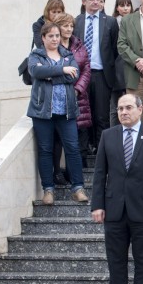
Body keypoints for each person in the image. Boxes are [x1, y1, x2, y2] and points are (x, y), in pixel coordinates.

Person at [91, 94, 143, 284]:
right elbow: (100, 173)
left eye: (128, 108)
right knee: (115, 263)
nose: (123, 112)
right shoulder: (108, 135)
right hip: (114, 210)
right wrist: (97, 205)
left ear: (140, 109)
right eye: (120, 109)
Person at [27, 22, 88, 205]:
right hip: (42, 112)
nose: (55, 39)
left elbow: (74, 76)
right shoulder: (35, 55)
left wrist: (49, 75)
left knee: (73, 149)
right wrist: (61, 70)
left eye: (57, 36)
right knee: (45, 150)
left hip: (66, 111)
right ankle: (48, 190)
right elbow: (36, 71)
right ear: (43, 38)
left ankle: (78, 188)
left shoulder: (67, 54)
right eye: (51, 36)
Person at [75, 0, 120, 155]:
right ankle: (84, 151)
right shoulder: (76, 21)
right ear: (83, 1)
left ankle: (101, 151)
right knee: (83, 116)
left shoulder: (110, 21)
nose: (96, 2)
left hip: (101, 74)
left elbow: (115, 49)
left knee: (101, 115)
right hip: (80, 76)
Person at [54, 13, 93, 171]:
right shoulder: (53, 46)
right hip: (60, 97)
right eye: (65, 26)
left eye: (71, 26)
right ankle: (61, 172)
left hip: (79, 96)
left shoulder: (78, 44)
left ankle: (77, 171)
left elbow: (87, 69)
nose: (69, 29)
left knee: (80, 131)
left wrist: (78, 89)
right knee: (60, 138)